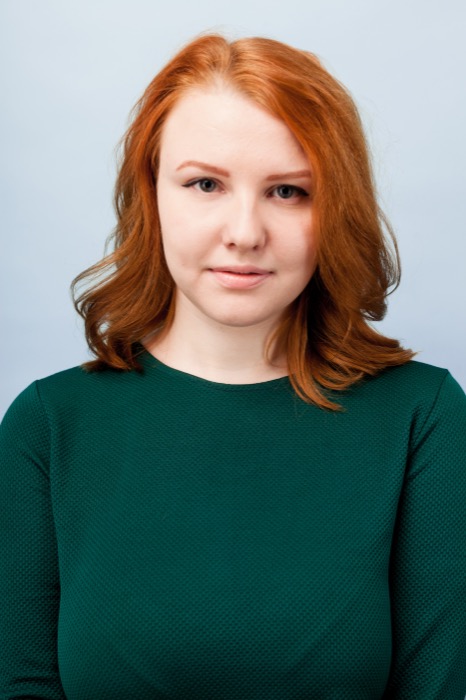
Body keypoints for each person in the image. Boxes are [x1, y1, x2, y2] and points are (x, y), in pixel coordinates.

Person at [1, 32, 465, 700]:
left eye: (288, 191)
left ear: (335, 208)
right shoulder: (47, 427)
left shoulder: (424, 419)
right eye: (205, 184)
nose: (245, 232)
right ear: (151, 195)